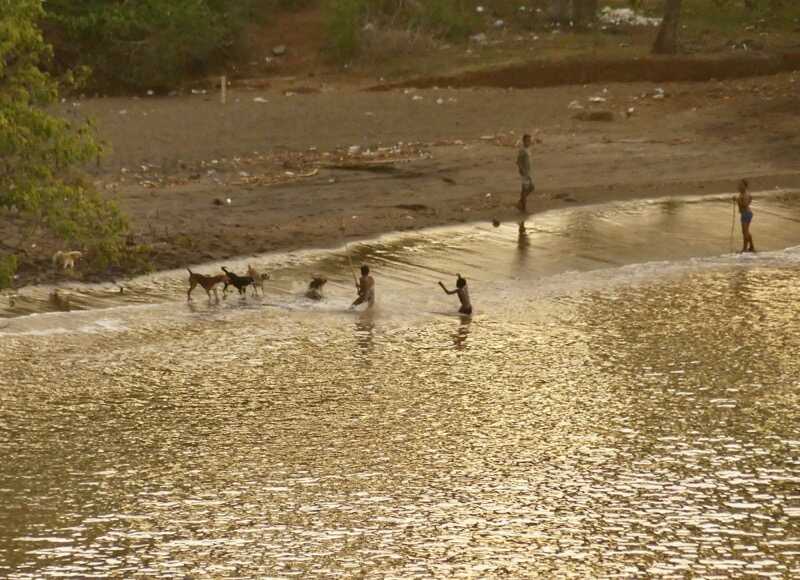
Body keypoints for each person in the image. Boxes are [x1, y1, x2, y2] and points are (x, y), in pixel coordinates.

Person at [735, 179, 755, 253]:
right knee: (746, 231)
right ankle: (751, 247)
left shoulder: (745, 194)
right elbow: (750, 199)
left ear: (745, 186)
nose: (739, 186)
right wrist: (737, 200)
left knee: (745, 232)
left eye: (741, 185)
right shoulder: (743, 193)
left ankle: (744, 249)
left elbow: (745, 204)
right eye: (739, 185)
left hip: (746, 214)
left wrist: (738, 200)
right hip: (746, 213)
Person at [516, 133, 534, 212]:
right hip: (524, 173)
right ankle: (522, 206)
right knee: (527, 188)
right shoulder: (522, 150)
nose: (529, 142)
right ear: (524, 141)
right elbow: (518, 161)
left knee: (529, 188)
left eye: (530, 140)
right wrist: (521, 170)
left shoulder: (528, 149)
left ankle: (521, 204)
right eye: (527, 141)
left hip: (528, 172)